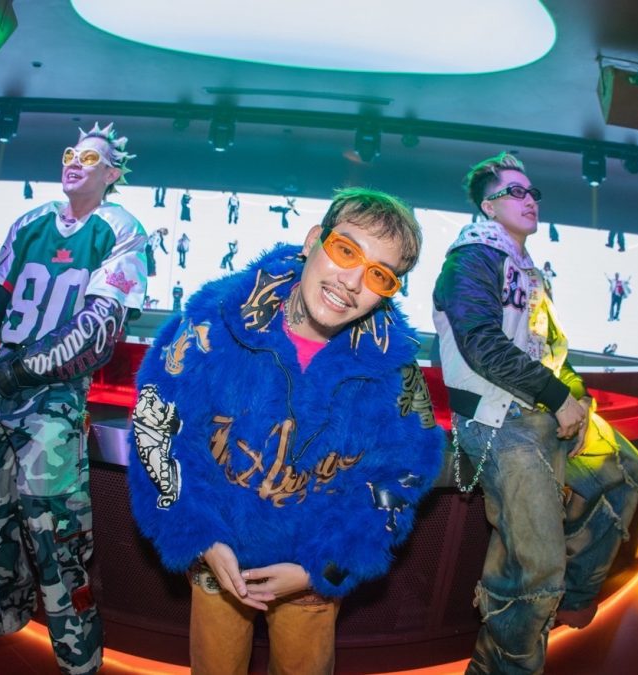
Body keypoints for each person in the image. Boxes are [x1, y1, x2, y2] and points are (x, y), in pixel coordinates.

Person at [129, 187, 443, 674]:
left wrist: (323, 567)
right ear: (314, 240)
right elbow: (157, 427)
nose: (351, 282)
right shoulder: (213, 321)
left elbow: (402, 478)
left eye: (379, 275)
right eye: (346, 251)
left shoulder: (395, 371)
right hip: (217, 559)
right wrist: (199, 536)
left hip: (309, 577)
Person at [0, 121, 147, 675]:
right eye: (71, 152)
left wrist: (21, 370)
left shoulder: (119, 228)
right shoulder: (29, 221)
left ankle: (79, 656)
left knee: (56, 527)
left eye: (90, 158)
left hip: (53, 392)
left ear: (112, 174)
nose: (75, 161)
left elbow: (99, 330)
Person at [433, 152, 638, 674]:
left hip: (541, 412)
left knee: (627, 471)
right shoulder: (471, 258)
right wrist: (558, 397)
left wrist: (578, 397)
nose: (529, 199)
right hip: (498, 421)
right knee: (535, 570)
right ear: (488, 206)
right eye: (515, 192)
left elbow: (553, 352)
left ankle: (573, 595)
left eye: (532, 192)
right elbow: (482, 344)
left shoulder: (528, 273)